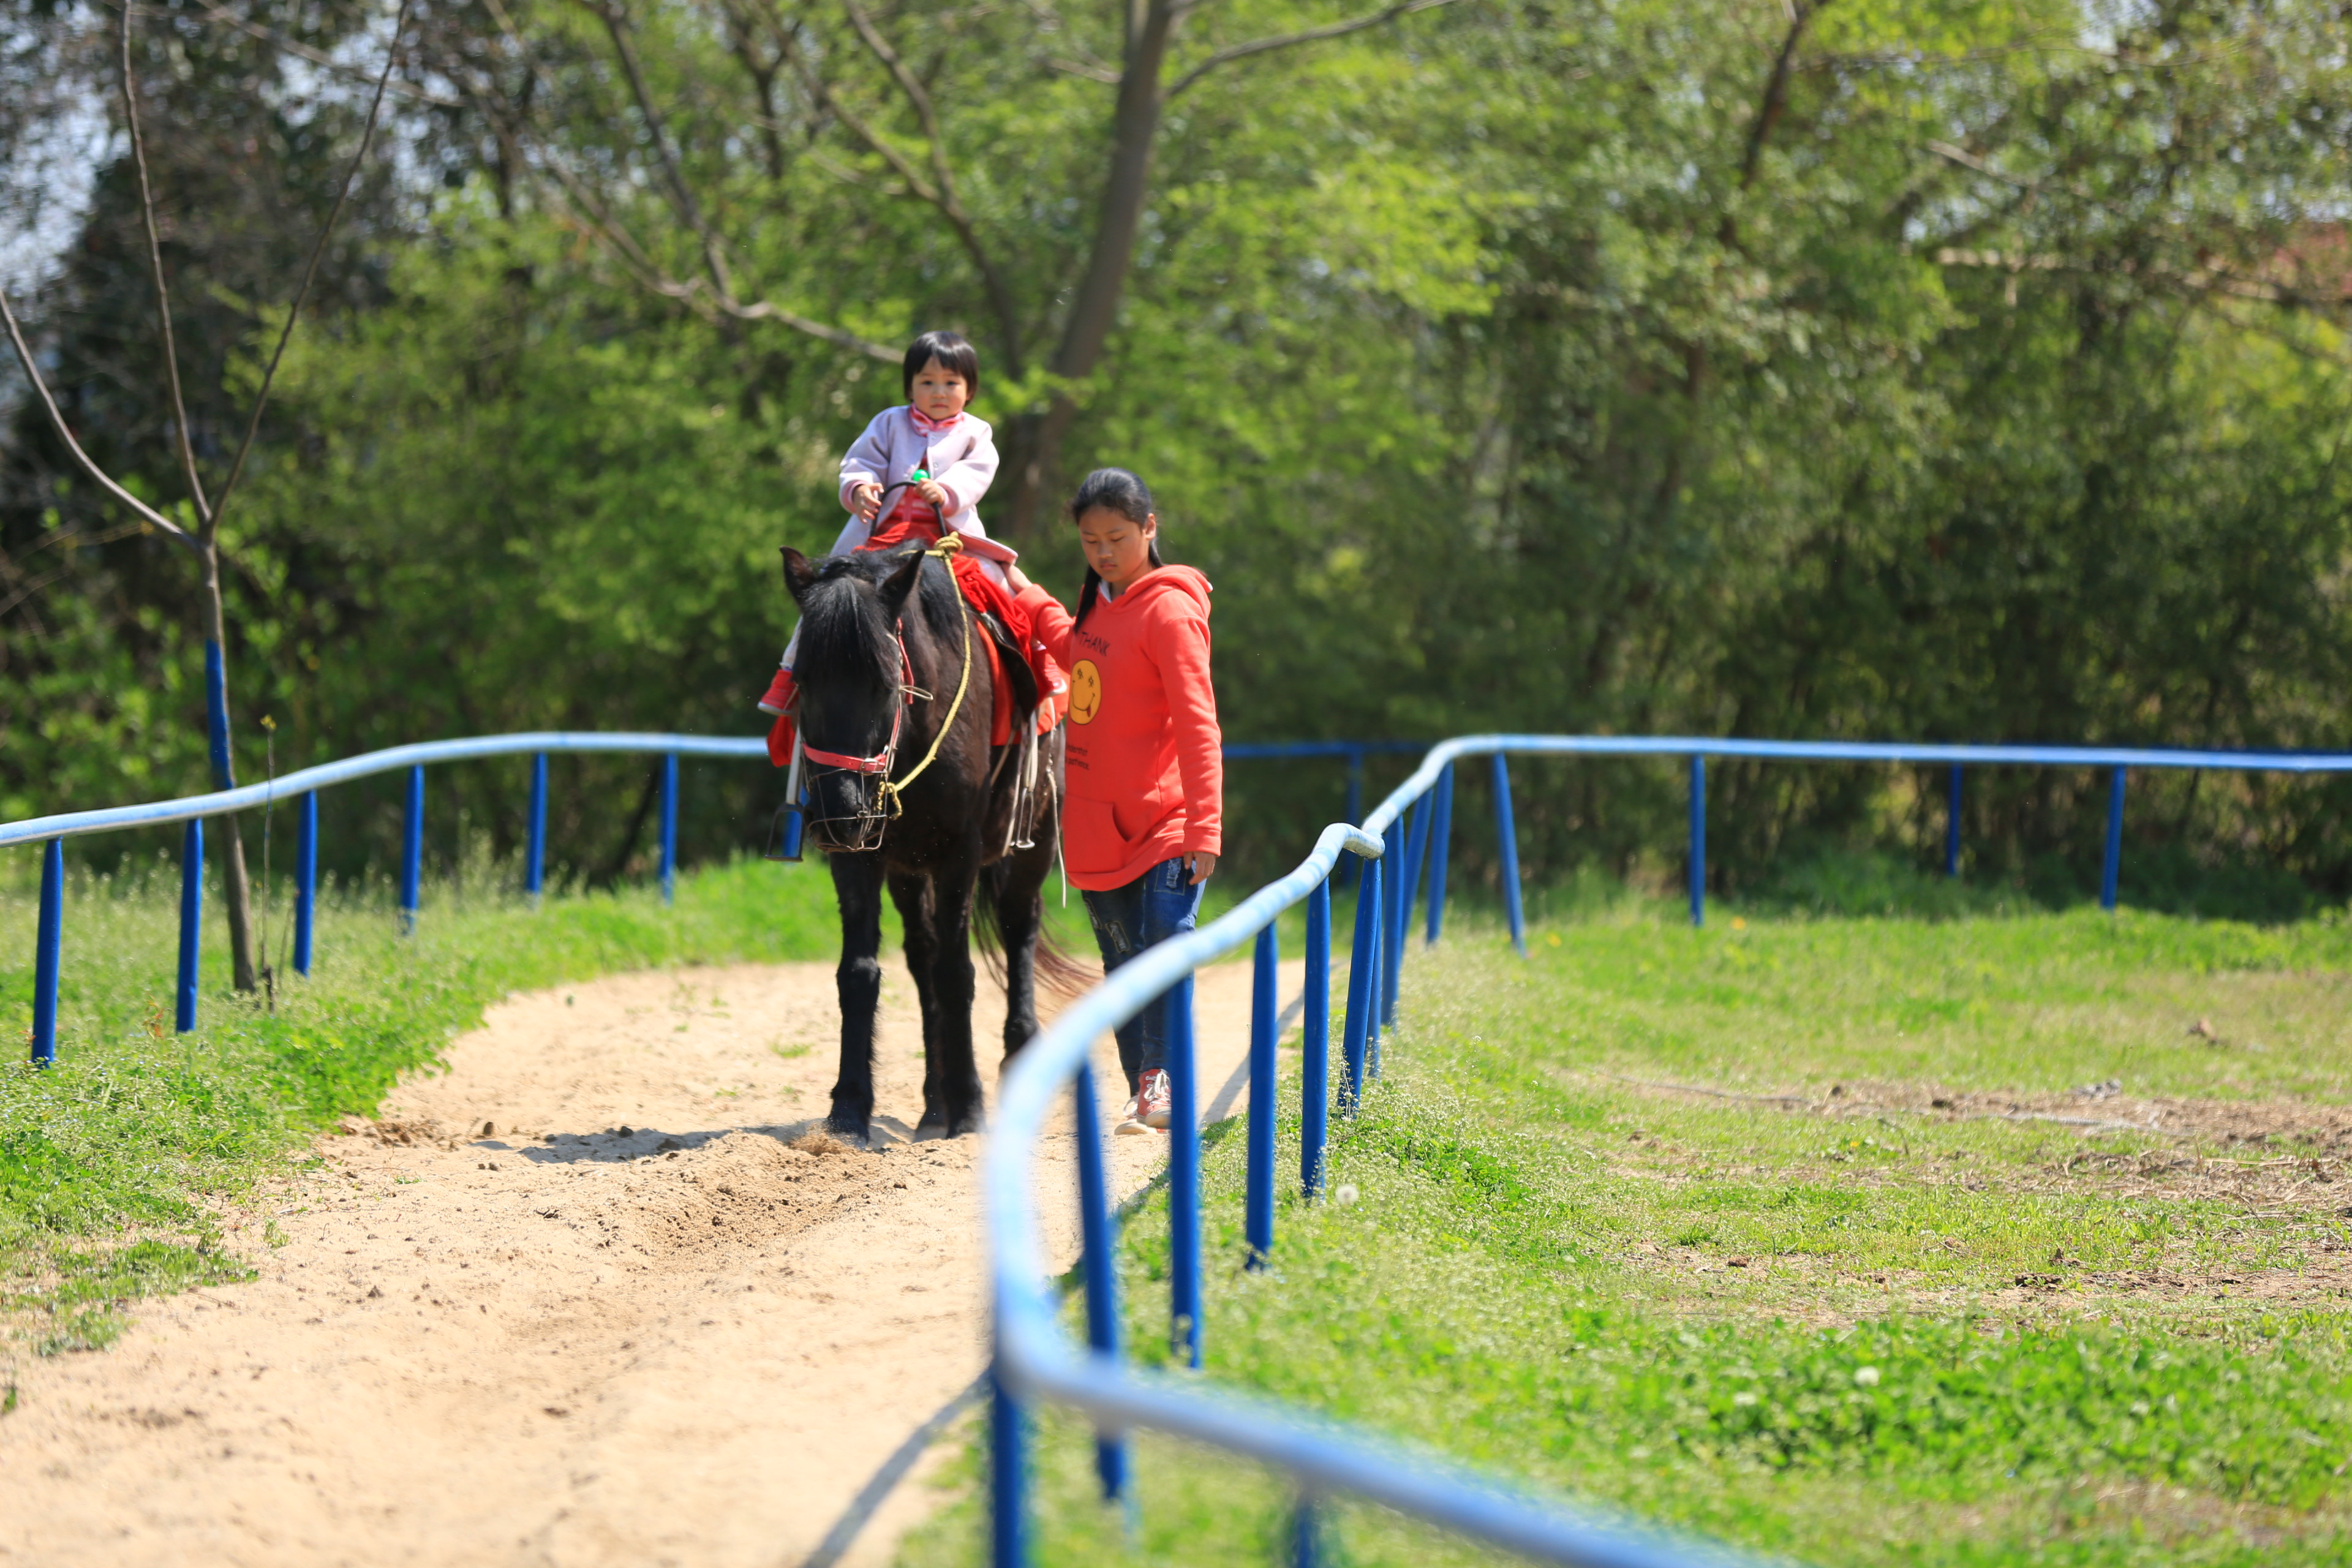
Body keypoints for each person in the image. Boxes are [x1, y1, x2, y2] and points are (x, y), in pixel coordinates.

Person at [1010, 468, 1221, 1133]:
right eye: (1090, 539)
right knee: (1123, 964)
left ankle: (1161, 1089)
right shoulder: (1100, 599)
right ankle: (1144, 1088)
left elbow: (1198, 722)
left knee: (1161, 953)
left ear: (1150, 528)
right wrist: (1023, 592)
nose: (1104, 551)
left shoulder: (1172, 609)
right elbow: (1080, 655)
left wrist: (1206, 827)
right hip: (1097, 830)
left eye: (1118, 538)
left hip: (1166, 823)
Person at [755, 329, 1016, 718]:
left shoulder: (975, 432)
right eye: (927, 382)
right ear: (910, 387)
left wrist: (946, 491)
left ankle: (1020, 673)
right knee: (826, 594)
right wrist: (860, 489)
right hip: (884, 535)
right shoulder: (890, 423)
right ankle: (790, 672)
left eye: (951, 383)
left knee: (999, 587)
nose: (939, 392)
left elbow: (979, 471)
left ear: (970, 390)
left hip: (946, 538)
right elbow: (861, 462)